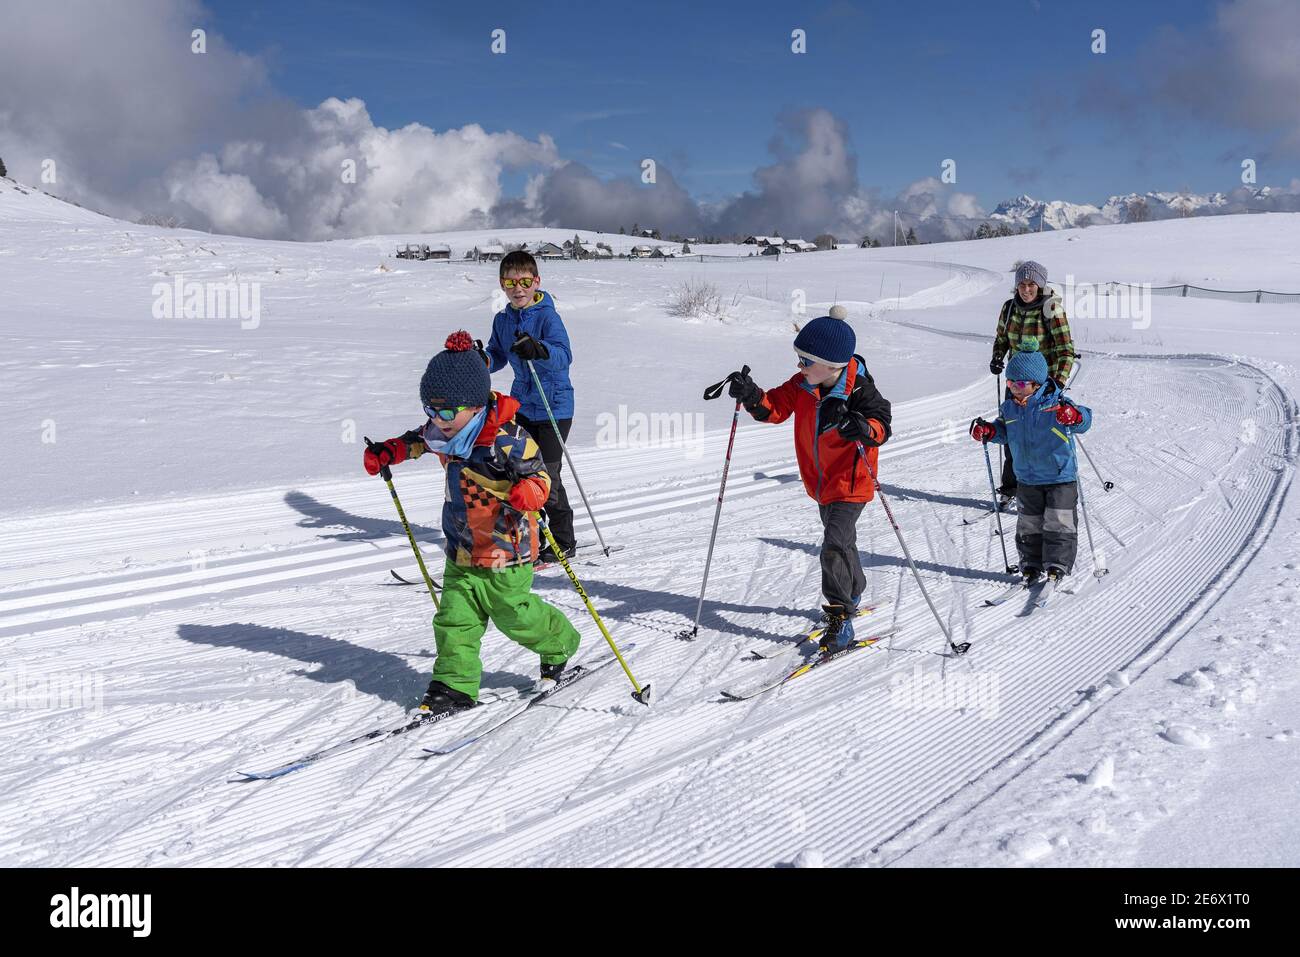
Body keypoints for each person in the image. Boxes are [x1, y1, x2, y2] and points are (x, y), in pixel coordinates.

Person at [364, 330, 582, 714]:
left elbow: (540, 478)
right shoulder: (441, 431)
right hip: (462, 546)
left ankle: (559, 642)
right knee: (454, 620)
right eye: (431, 411)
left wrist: (530, 492)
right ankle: (454, 685)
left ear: (475, 404)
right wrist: (390, 451)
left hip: (507, 548)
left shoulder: (507, 439)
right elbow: (417, 440)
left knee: (513, 616)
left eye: (447, 412)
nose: (438, 420)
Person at [725, 307, 892, 652]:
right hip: (820, 484)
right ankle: (854, 587)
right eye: (799, 358)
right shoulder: (802, 385)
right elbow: (774, 408)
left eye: (805, 360)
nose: (799, 366)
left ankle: (840, 619)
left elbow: (881, 426)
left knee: (833, 546)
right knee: (842, 543)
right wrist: (751, 394)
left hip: (851, 484)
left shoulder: (859, 390)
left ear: (831, 365)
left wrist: (860, 426)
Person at [970, 339, 1092, 584]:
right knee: (1029, 525)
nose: (1015, 388)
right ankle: (1030, 565)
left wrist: (1074, 416)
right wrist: (990, 432)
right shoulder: (1010, 408)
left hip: (1059, 477)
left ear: (1037, 384)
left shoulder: (1056, 404)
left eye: (1021, 383)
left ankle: (1057, 565)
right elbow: (1004, 431)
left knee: (1059, 523)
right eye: (1011, 382)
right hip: (1026, 478)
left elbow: (1085, 420)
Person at [485, 250, 576, 563]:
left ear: (536, 281)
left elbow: (564, 356)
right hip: (522, 404)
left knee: (547, 476)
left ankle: (564, 539)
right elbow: (496, 354)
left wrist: (540, 349)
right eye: (511, 283)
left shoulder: (548, 317)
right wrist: (480, 360)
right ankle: (525, 536)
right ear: (502, 284)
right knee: (517, 472)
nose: (518, 288)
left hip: (555, 406)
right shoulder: (503, 320)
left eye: (524, 281)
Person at [989, 260, 1075, 505]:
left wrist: (1057, 383)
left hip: (1042, 388)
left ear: (1040, 285)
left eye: (1031, 284)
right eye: (1022, 285)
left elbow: (1066, 350)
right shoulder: (1009, 308)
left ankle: (1044, 489)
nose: (1026, 290)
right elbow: (1001, 339)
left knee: (1042, 440)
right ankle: (1010, 489)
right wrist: (997, 357)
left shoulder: (1051, 309)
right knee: (1012, 436)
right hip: (1016, 385)